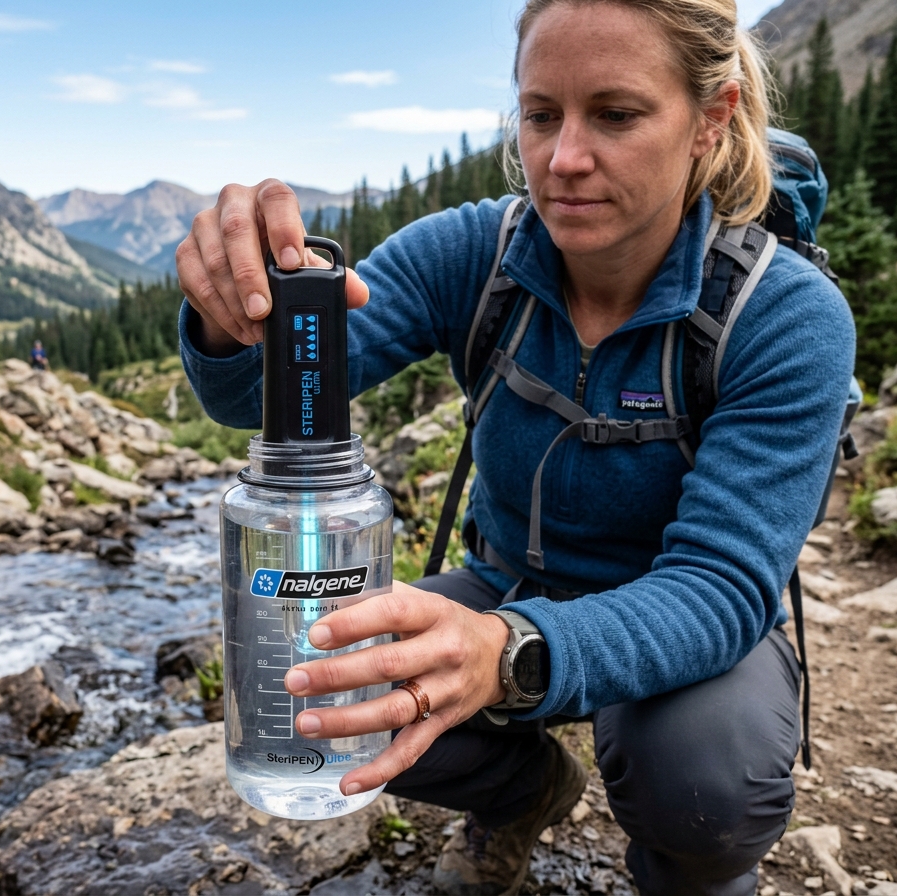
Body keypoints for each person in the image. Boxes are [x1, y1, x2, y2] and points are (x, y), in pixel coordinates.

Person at [174, 1, 856, 894]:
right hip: (509, 579)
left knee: (705, 780)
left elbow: (721, 588)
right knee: (320, 679)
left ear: (711, 118)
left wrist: (506, 652)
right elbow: (260, 400)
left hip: (685, 615)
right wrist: (237, 319)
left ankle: (690, 877)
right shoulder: (475, 256)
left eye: (615, 114)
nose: (564, 159)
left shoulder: (784, 315)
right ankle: (524, 793)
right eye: (541, 114)